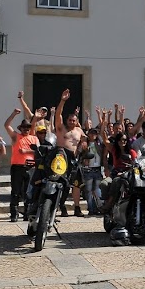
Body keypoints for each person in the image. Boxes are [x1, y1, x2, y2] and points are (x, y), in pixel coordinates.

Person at [5, 103, 40, 221]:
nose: (26, 129)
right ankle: (14, 214)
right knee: (15, 191)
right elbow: (6, 125)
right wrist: (13, 114)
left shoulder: (34, 138)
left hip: (30, 167)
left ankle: (27, 213)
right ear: (21, 128)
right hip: (17, 167)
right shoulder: (16, 136)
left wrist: (26, 151)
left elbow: (38, 151)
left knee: (28, 192)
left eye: (28, 128)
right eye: (24, 127)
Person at [55, 89, 86, 217]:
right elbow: (58, 115)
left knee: (76, 185)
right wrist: (63, 101)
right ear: (66, 120)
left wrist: (83, 144)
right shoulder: (61, 128)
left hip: (75, 158)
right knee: (61, 183)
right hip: (62, 156)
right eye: (70, 120)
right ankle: (60, 206)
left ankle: (77, 207)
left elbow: (84, 139)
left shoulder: (79, 130)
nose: (71, 122)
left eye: (74, 120)